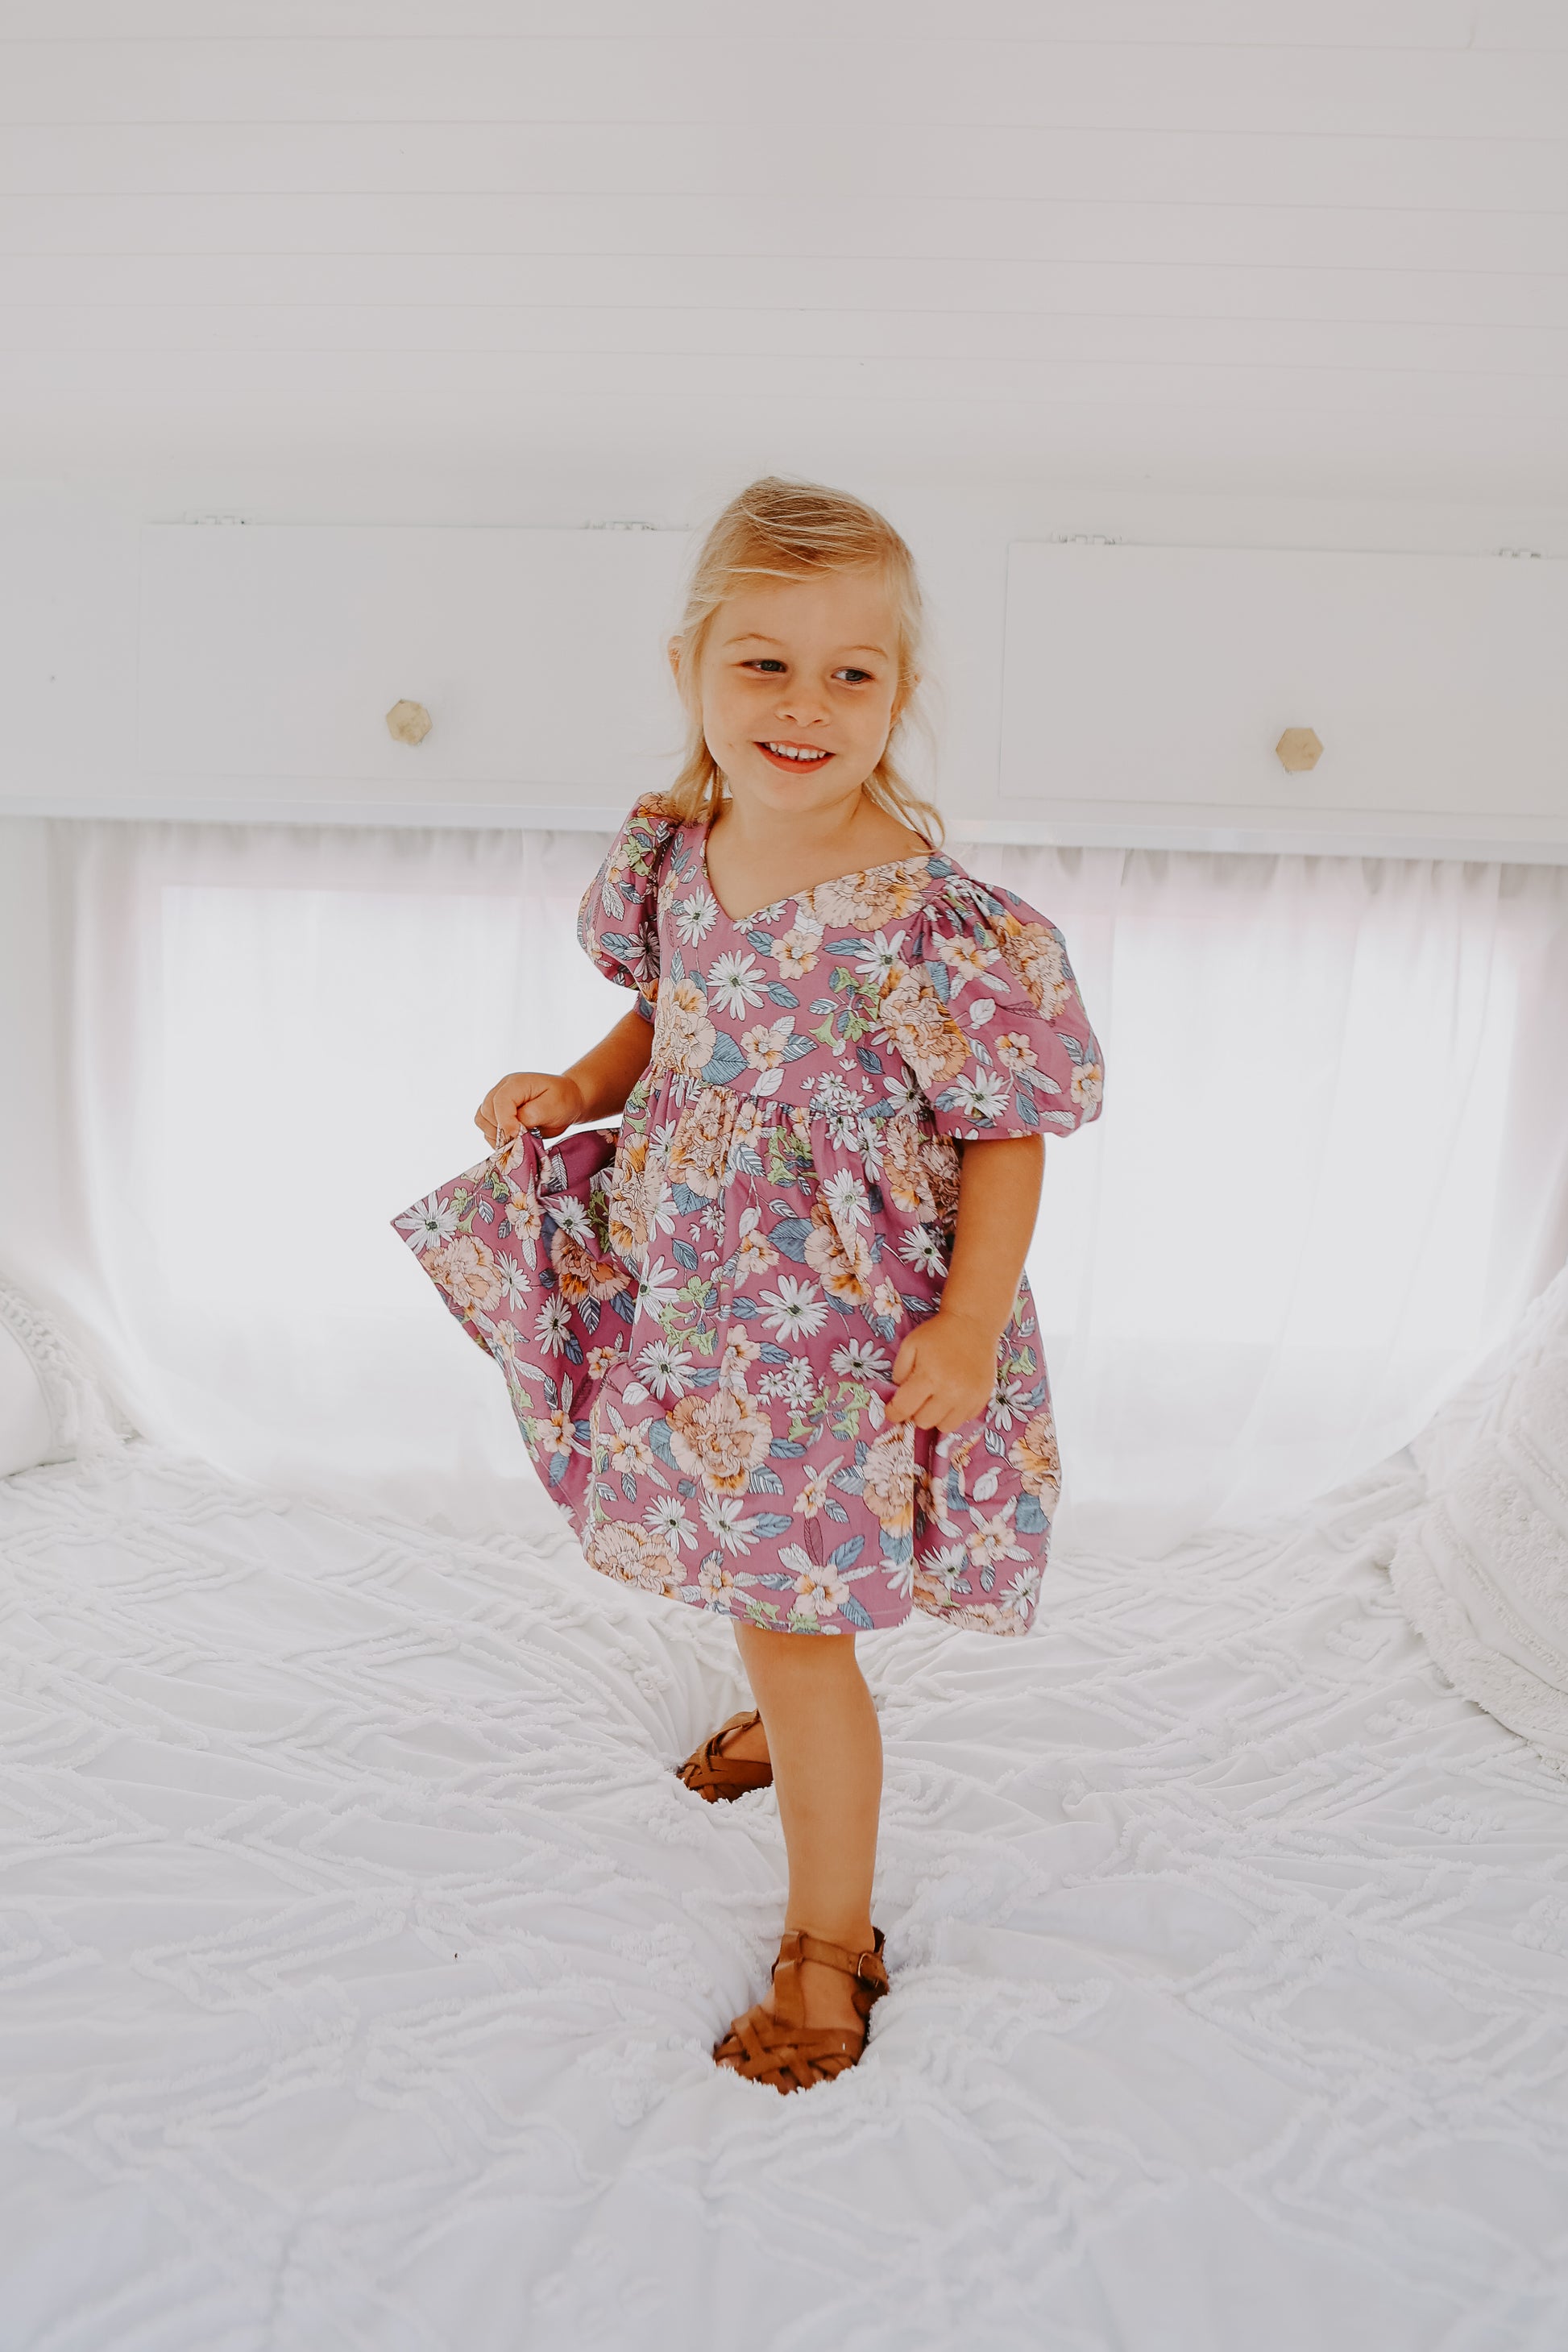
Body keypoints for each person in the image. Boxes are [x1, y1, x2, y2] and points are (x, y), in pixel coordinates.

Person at [475, 477, 1103, 2093]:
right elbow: (670, 1011)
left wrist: (968, 1321)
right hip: (696, 1284)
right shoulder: (678, 852)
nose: (803, 706)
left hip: (839, 1320)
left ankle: (830, 1937)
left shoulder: (927, 920)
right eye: (763, 663)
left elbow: (1004, 1130)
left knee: (795, 1609)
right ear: (689, 668)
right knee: (738, 1532)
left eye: (850, 672)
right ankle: (776, 1700)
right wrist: (580, 1083)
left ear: (901, 691)